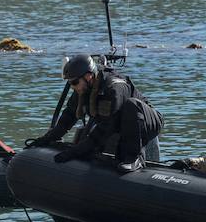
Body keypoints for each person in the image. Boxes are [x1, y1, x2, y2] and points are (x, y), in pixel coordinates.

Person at [25, 54, 162, 173]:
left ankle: (135, 158)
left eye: (74, 82)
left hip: (146, 121)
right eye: (70, 83)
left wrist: (76, 151)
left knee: (131, 105)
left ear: (88, 76)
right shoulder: (83, 89)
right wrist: (45, 139)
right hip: (120, 124)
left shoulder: (113, 88)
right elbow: (67, 118)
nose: (73, 86)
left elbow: (105, 129)